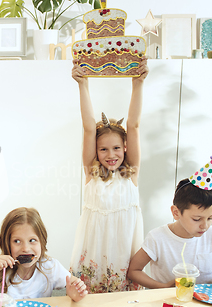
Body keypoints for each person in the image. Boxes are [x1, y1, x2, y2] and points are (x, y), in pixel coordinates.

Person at [69, 58, 149, 293]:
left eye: (116, 148)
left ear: (125, 147)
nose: (110, 155)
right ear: (95, 150)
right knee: (92, 301)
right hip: (94, 250)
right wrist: (82, 85)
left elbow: (133, 125)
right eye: (103, 149)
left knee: (124, 303)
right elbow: (87, 128)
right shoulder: (90, 173)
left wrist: (138, 84)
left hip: (124, 252)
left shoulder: (131, 173)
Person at [127, 157, 212, 288]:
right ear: (176, 213)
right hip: (167, 302)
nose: (205, 226)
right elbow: (133, 271)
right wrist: (164, 287)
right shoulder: (158, 238)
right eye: (197, 219)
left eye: (210, 218)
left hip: (203, 303)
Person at [0, 207, 87, 302]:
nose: (25, 248)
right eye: (17, 241)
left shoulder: (49, 266)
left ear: (42, 241)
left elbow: (73, 284)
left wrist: (74, 295)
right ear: (7, 244)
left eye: (32, 240)